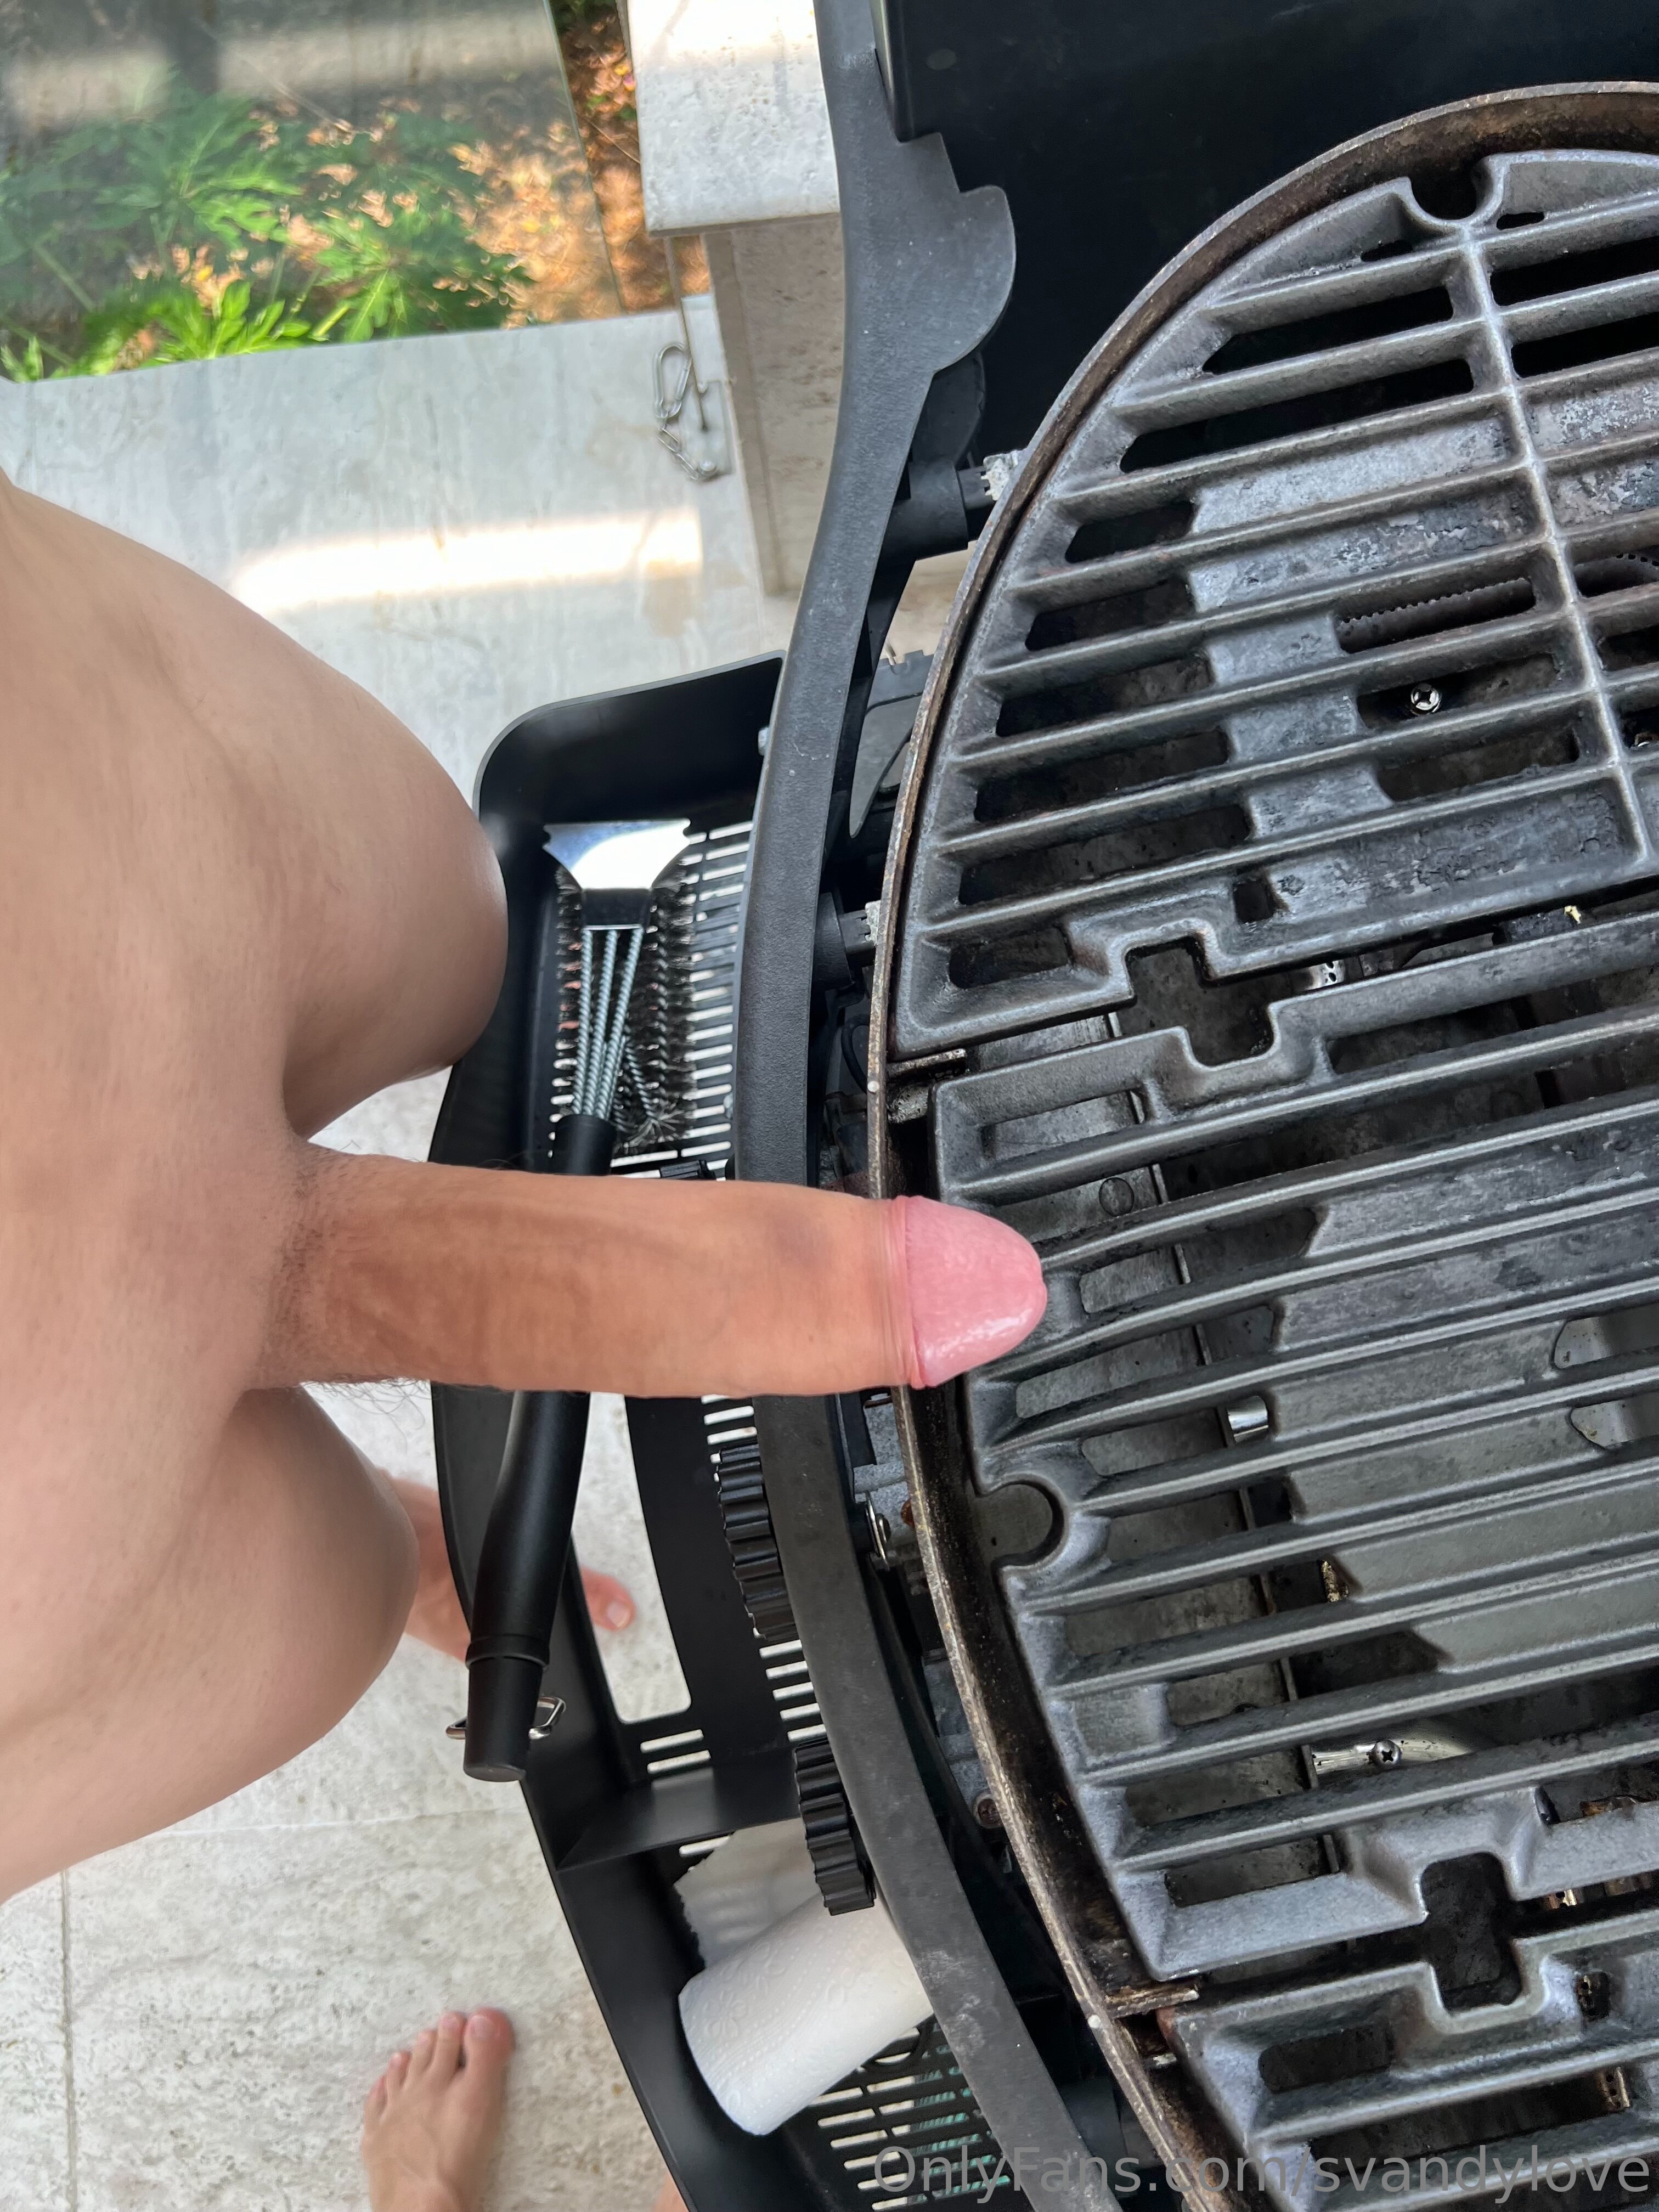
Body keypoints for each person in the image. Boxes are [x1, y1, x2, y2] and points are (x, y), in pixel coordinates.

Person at [0, 470, 1046, 1904]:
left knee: (449, 938)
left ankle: (394, 1523)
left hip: (78, 773)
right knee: (333, 1585)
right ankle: (397, 1537)